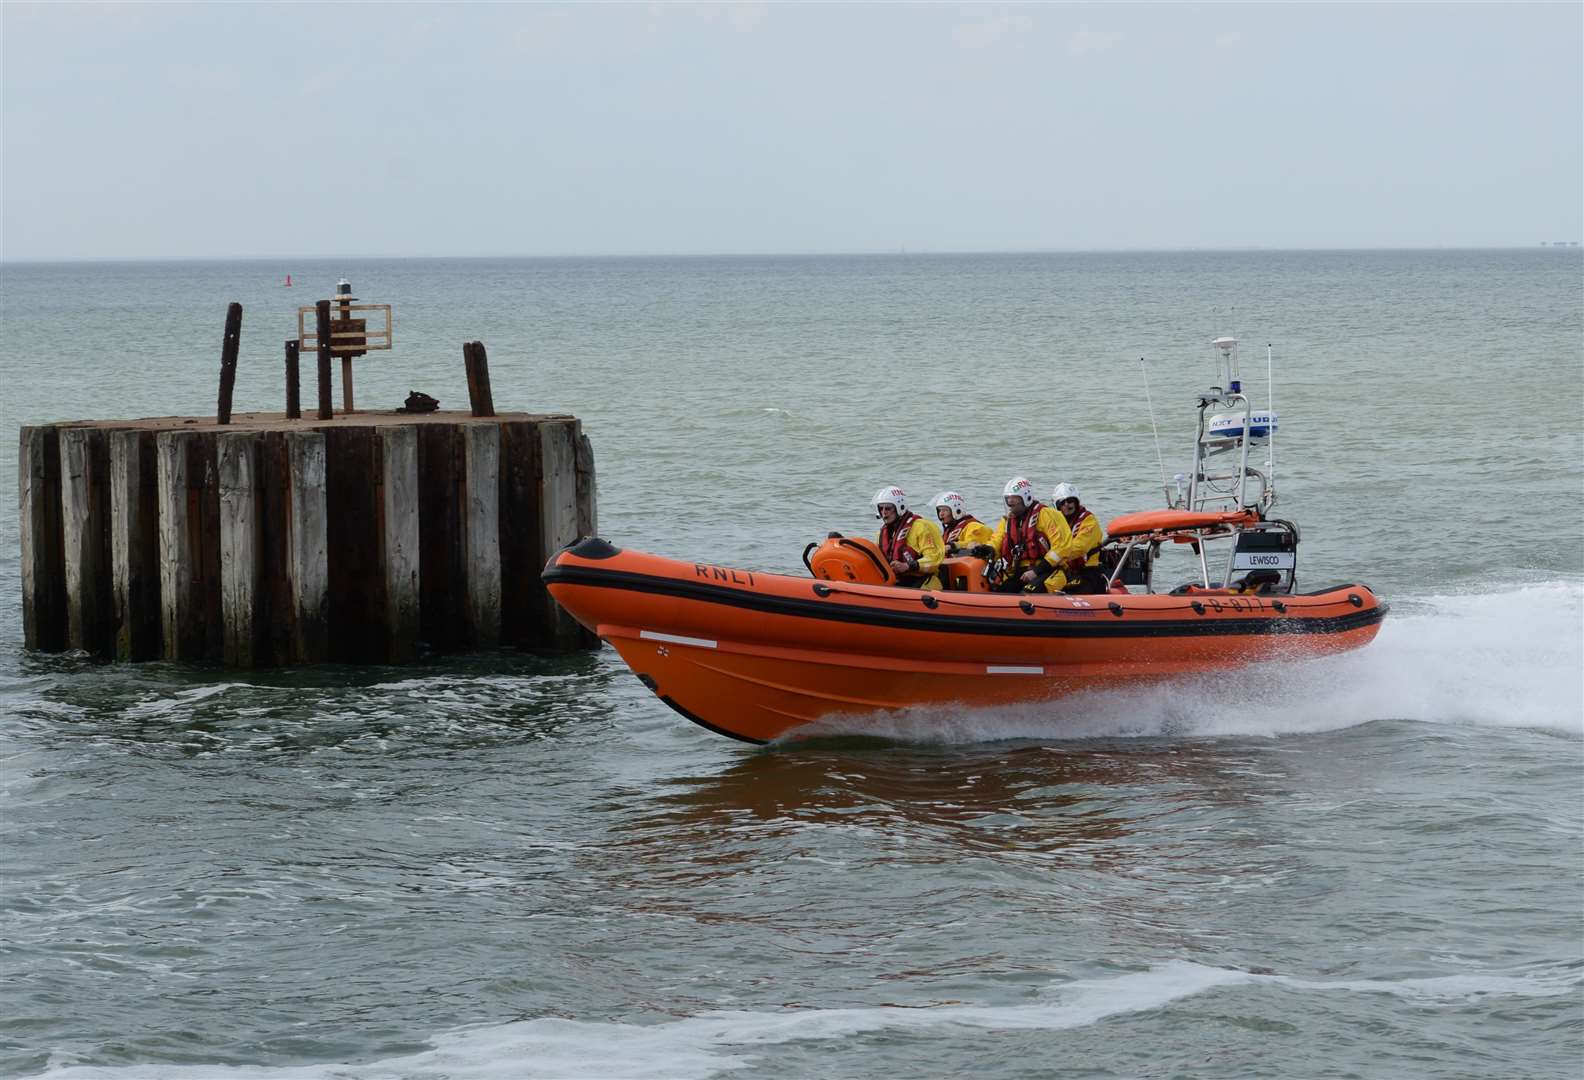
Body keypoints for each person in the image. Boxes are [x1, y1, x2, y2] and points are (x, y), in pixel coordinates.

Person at [975, 477, 1071, 592]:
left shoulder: (1047, 515)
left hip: (1048, 569)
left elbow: (1061, 547)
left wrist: (1036, 571)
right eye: (1008, 499)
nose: (1010, 503)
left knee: (1027, 592)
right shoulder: (1007, 521)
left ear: (1026, 498)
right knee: (1002, 592)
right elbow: (997, 539)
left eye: (1014, 499)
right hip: (1020, 571)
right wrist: (988, 548)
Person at [873, 486, 945, 589]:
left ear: (900, 507)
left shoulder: (921, 527)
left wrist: (907, 566)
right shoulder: (882, 533)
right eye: (881, 508)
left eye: (888, 508)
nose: (883, 512)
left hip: (923, 581)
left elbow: (934, 559)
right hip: (896, 581)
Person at [1043, 482, 1108, 594]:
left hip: (1088, 572)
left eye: (1070, 501)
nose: (1067, 505)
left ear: (1077, 502)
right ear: (1057, 506)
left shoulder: (1089, 521)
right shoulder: (1056, 523)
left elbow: (1079, 548)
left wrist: (1050, 560)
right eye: (1062, 502)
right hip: (1064, 571)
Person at [930, 491, 993, 555]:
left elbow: (974, 545)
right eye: (939, 510)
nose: (941, 514)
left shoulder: (974, 526)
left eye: (945, 510)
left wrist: (953, 546)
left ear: (957, 510)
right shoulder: (949, 530)